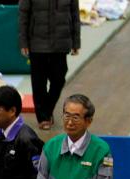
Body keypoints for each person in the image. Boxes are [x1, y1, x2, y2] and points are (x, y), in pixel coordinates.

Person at [19, 0, 80, 130]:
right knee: (38, 82)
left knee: (59, 79)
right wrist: (23, 42)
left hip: (61, 42)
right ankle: (43, 117)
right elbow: (23, 15)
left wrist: (76, 42)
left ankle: (47, 109)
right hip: (37, 42)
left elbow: (75, 14)